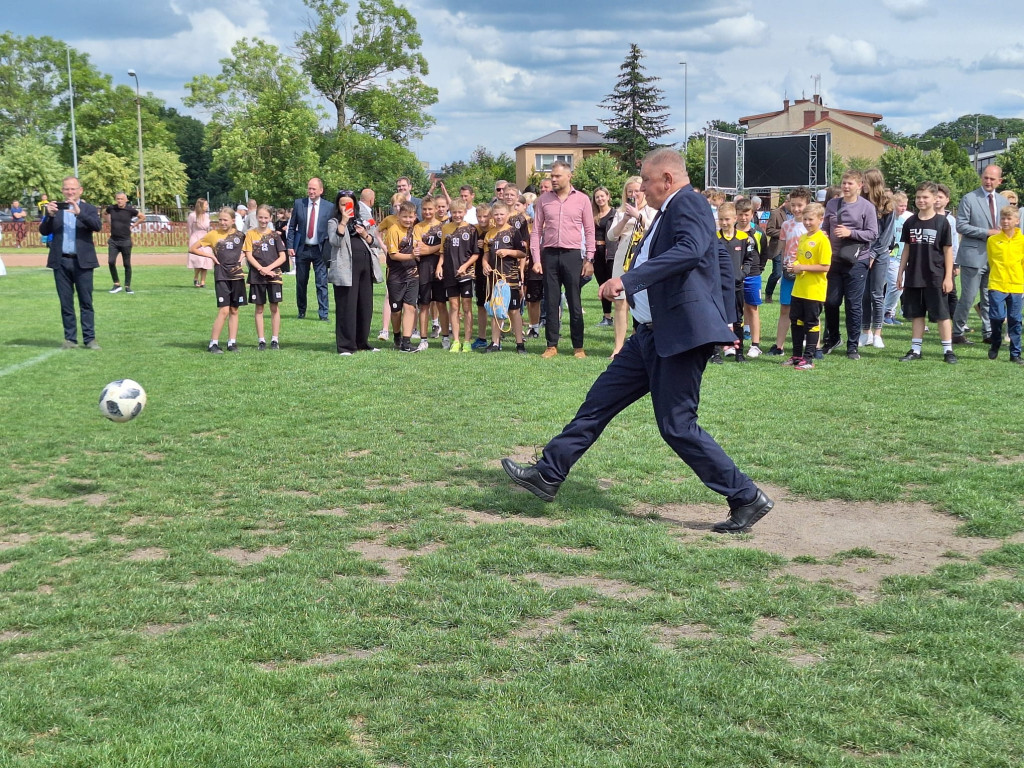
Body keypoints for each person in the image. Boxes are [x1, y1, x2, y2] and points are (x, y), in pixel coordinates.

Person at [501, 148, 773, 533]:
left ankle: (745, 496)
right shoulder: (665, 212)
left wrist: (627, 281)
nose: (640, 187)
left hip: (677, 335)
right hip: (648, 334)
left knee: (677, 425)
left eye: (646, 179)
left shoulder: (689, 204)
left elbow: (691, 251)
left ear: (667, 178)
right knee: (598, 402)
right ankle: (549, 473)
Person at [531, 161, 595, 358]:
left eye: (557, 176)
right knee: (551, 301)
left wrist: (589, 259)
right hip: (549, 254)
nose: (553, 179)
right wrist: (536, 258)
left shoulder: (583, 200)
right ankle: (551, 345)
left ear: (569, 177)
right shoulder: (543, 200)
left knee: (575, 302)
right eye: (552, 176)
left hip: (572, 255)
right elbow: (536, 231)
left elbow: (590, 230)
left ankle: (578, 346)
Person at [896, 182, 957, 364]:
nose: (921, 200)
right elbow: (906, 249)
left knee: (942, 314)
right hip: (914, 275)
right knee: (917, 314)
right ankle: (915, 349)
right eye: (918, 197)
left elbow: (948, 251)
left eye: (925, 197)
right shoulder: (910, 222)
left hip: (936, 276)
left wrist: (948, 277)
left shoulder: (942, 222)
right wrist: (900, 273)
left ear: (934, 198)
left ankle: (948, 350)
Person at [40, 177, 103, 350]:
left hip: (83, 262)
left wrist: (79, 213)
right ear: (62, 191)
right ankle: (70, 339)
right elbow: (44, 231)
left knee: (86, 302)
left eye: (73, 189)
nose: (70, 192)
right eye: (67, 189)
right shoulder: (56, 209)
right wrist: (49, 216)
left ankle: (89, 339)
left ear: (80, 190)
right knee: (66, 303)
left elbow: (97, 226)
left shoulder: (88, 208)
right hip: (60, 262)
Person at [822, 170, 878, 360]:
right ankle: (833, 338)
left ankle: (852, 346)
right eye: (844, 183)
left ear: (860, 185)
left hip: (857, 261)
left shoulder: (867, 207)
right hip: (834, 260)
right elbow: (824, 227)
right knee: (830, 302)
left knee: (853, 305)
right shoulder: (832, 204)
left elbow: (872, 234)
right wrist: (823, 235)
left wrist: (850, 233)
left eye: (850, 184)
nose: (846, 186)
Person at [954, 165, 1009, 345]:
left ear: (999, 181)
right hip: (973, 256)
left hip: (994, 258)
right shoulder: (969, 198)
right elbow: (961, 226)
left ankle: (989, 333)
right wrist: (987, 232)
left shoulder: (1003, 202)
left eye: (992, 179)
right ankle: (956, 332)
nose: (988, 181)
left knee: (989, 298)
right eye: (985, 177)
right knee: (968, 297)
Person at [607, 176, 657, 359]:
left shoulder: (652, 211)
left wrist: (639, 216)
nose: (634, 194)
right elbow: (611, 236)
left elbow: (654, 230)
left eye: (637, 190)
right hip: (623, 260)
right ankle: (618, 347)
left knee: (643, 301)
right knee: (620, 302)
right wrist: (625, 219)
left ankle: (642, 342)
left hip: (644, 261)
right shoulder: (620, 212)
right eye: (630, 191)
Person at [328, 191, 382, 355]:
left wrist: (364, 233)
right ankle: (345, 346)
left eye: (349, 204)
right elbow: (334, 241)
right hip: (346, 270)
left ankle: (362, 342)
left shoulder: (361, 221)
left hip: (365, 267)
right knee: (347, 307)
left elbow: (375, 243)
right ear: (338, 206)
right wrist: (343, 221)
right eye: (343, 204)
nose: (346, 207)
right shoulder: (334, 221)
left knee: (364, 306)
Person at [190, 206, 247, 352]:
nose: (222, 222)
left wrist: (243, 257)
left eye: (225, 220)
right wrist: (210, 256)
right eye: (220, 219)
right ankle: (213, 343)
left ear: (233, 221)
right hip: (222, 275)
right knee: (224, 310)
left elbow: (248, 250)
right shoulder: (213, 234)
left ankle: (231, 343)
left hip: (237, 275)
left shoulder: (240, 235)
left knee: (234, 309)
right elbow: (193, 248)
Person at [766, 188, 812, 357]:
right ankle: (779, 346)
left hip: (807, 274)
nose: (796, 209)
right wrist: (784, 265)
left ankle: (813, 345)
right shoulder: (786, 225)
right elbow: (784, 248)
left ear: (807, 204)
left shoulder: (813, 226)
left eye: (800, 205)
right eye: (793, 205)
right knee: (785, 308)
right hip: (789, 273)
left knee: (810, 310)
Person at [786, 203, 832, 370]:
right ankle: (797, 355)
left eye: (810, 219)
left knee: (811, 323)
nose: (807, 222)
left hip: (814, 290)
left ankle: (809, 358)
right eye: (805, 219)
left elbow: (825, 266)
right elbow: (801, 260)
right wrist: (794, 265)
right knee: (796, 321)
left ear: (820, 220)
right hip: (799, 288)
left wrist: (802, 267)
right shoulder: (804, 237)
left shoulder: (822, 240)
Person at [713, 202, 758, 363]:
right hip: (717, 287)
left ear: (734, 218)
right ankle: (715, 353)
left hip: (736, 286)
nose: (724, 223)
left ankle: (739, 352)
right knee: (717, 318)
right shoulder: (714, 238)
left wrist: (742, 273)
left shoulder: (744, 238)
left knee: (738, 319)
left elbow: (749, 259)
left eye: (727, 219)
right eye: (721, 219)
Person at [481, 201, 528, 354]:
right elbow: (486, 253)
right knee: (496, 309)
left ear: (507, 215)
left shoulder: (513, 232)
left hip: (510, 277)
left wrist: (508, 252)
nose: (499, 217)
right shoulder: (489, 233)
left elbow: (522, 253)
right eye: (496, 214)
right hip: (495, 278)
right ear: (492, 216)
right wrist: (484, 264)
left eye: (502, 214)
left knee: (514, 311)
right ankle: (495, 343)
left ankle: (520, 343)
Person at [858, 169, 896, 349]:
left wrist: (873, 254)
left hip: (880, 255)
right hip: (862, 253)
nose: (862, 185)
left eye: (864, 181)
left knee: (876, 294)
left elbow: (887, 236)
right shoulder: (860, 202)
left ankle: (878, 333)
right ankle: (865, 333)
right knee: (864, 294)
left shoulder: (887, 203)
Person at [286, 178, 333, 321]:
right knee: (301, 282)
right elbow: (292, 227)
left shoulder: (329, 207)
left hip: (320, 250)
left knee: (321, 283)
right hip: (302, 249)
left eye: (314, 189)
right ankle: (301, 311)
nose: (311, 191)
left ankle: (323, 314)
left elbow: (332, 229)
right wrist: (290, 246)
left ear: (321, 190)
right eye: (309, 188)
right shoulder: (299, 204)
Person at [243, 204, 287, 351]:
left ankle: (275, 339)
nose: (263, 220)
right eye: (260, 217)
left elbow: (283, 256)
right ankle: (261, 340)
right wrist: (261, 269)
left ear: (270, 218)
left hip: (273, 275)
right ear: (256, 217)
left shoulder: (274, 235)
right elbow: (248, 255)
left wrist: (269, 269)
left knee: (274, 307)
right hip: (257, 276)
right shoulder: (250, 234)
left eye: (265, 217)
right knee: (259, 308)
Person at [438, 199, 479, 352]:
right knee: (454, 306)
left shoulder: (471, 229)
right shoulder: (446, 228)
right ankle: (456, 340)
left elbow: (476, 254)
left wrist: (465, 266)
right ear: (451, 212)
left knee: (467, 307)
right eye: (454, 212)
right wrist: (439, 266)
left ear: (465, 212)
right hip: (450, 273)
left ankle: (467, 340)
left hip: (466, 274)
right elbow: (442, 251)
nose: (457, 215)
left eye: (459, 212)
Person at [985, 206, 1024, 363]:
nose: (1006, 221)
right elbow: (991, 261)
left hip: (1016, 285)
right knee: (997, 316)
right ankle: (995, 342)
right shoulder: (993, 240)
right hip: (997, 284)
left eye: (1009, 218)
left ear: (1017, 221)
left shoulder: (1021, 241)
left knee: (1015, 319)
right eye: (1003, 218)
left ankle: (1015, 353)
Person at [381, 201, 420, 352]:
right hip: (396, 275)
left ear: (415, 217)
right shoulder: (393, 230)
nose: (408, 220)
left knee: (410, 307)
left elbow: (419, 247)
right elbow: (393, 254)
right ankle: (397, 335)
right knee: (396, 310)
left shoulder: (415, 230)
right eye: (405, 217)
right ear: (398, 216)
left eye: (410, 217)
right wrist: (411, 255)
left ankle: (406, 342)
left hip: (412, 274)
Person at [735, 198, 767, 357]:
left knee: (752, 309)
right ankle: (732, 343)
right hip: (734, 277)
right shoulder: (730, 231)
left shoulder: (759, 233)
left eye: (746, 214)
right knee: (734, 310)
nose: (743, 218)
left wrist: (757, 270)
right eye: (740, 214)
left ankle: (755, 345)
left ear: (752, 214)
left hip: (753, 276)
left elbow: (763, 255)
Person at [104, 191, 144, 294]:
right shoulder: (111, 208)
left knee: (127, 264)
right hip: (113, 241)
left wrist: (134, 225)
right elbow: (105, 213)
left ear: (126, 200)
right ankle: (116, 284)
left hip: (126, 240)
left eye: (121, 199)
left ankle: (127, 286)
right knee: (111, 262)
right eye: (118, 199)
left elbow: (142, 217)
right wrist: (109, 223)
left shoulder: (130, 210)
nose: (119, 201)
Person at [883, 192, 911, 326]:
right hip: (890, 257)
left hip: (901, 258)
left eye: (905, 206)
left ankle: (890, 314)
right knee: (896, 285)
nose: (903, 208)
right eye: (900, 206)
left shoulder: (906, 219)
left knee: (896, 286)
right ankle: (886, 313)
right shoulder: (888, 218)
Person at [591, 187, 616, 328]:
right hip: (596, 253)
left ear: (608, 196)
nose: (600, 199)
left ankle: (620, 313)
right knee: (602, 284)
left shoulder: (615, 214)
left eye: (602, 196)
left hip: (610, 252)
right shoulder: (592, 215)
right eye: (597, 197)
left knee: (612, 283)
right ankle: (607, 316)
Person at [187, 198, 213, 288]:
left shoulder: (207, 216)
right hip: (196, 237)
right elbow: (190, 229)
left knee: (206, 259)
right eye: (206, 205)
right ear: (200, 205)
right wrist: (190, 241)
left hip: (205, 238)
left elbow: (208, 228)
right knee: (199, 260)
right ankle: (195, 277)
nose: (207, 206)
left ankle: (203, 281)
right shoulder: (192, 216)